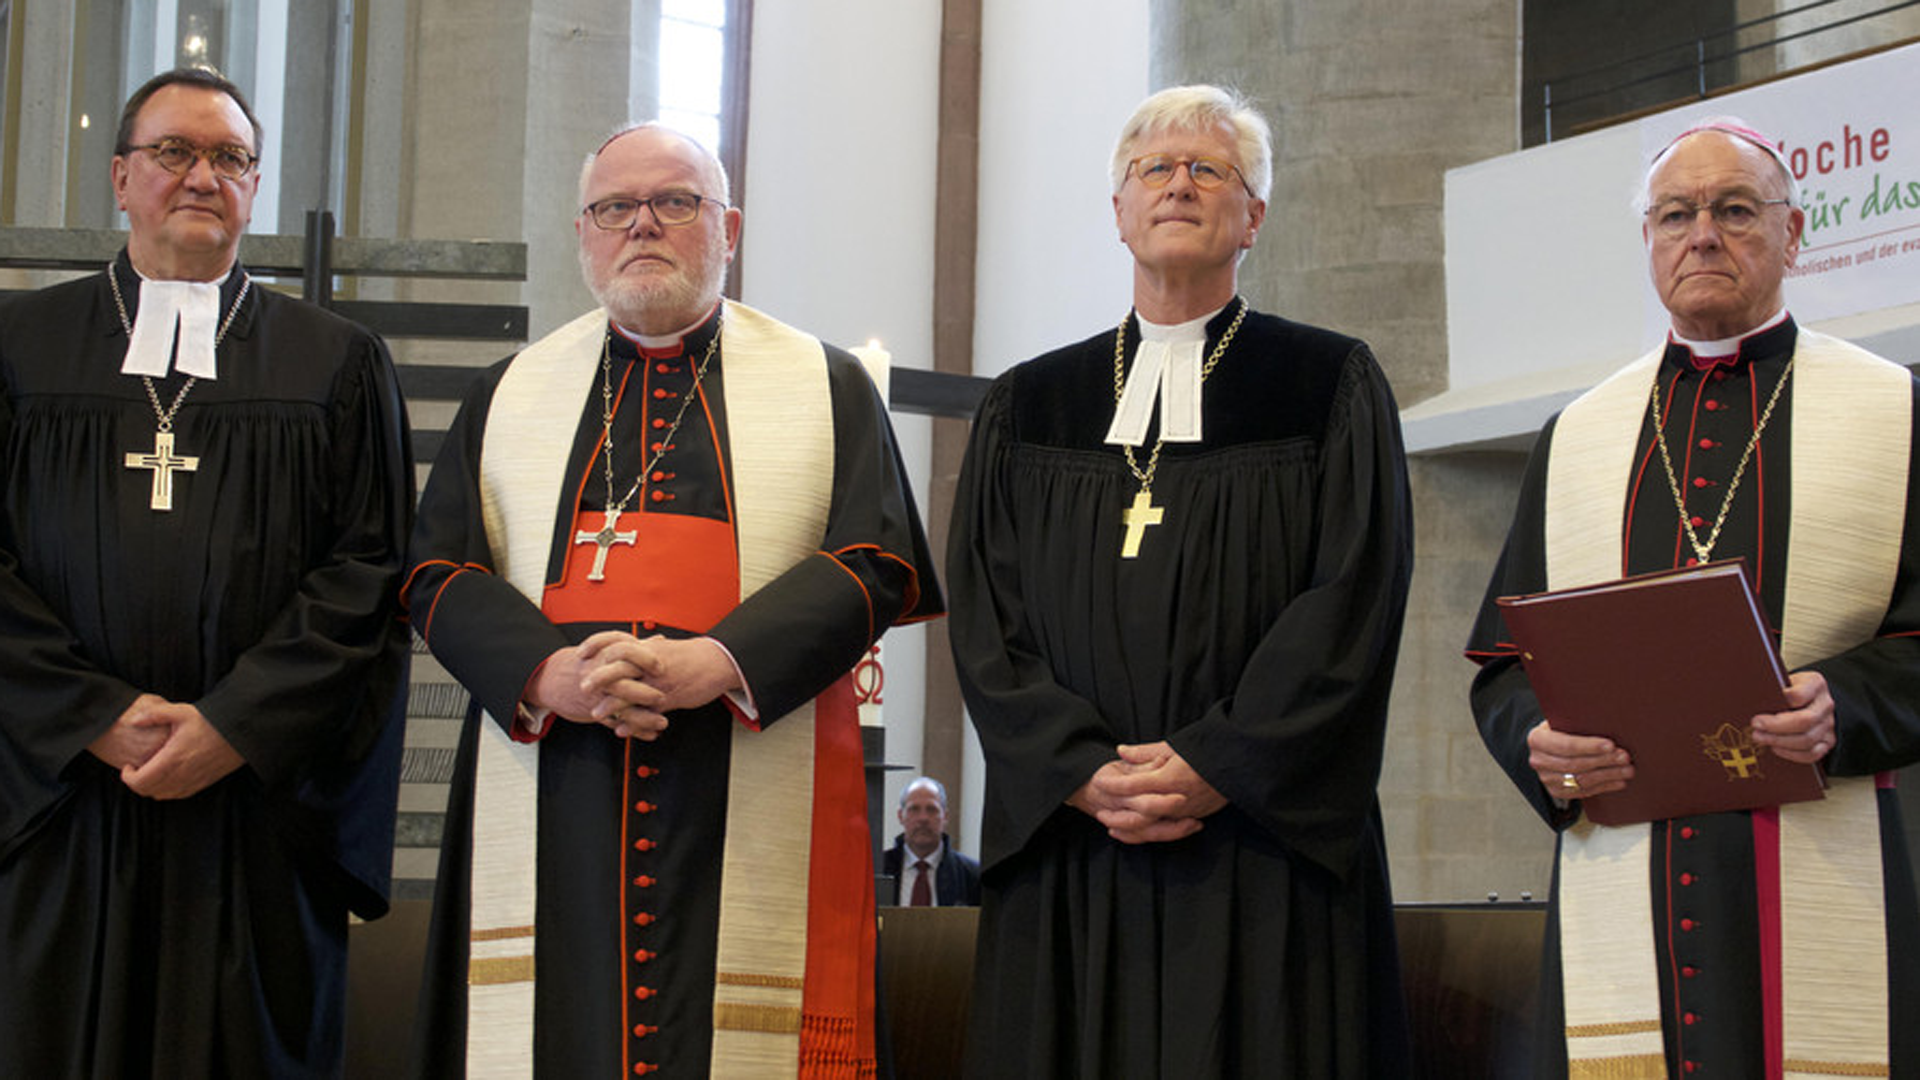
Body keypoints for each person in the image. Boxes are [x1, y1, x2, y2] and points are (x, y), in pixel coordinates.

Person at [404, 121, 942, 1079]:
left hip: (740, 757)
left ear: (727, 226)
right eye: (616, 207)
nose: (642, 225)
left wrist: (722, 661)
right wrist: (548, 673)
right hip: (559, 779)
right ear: (585, 234)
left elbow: (878, 558)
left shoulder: (826, 386)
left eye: (675, 203)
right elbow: (436, 571)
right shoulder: (510, 393)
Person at [947, 84, 1414, 1078]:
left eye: (1211, 169)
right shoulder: (1029, 404)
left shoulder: (1327, 384)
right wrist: (1076, 768)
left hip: (1258, 845)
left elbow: (1351, 603)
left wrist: (1221, 761)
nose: (1179, 184)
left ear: (1255, 216)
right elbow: (989, 622)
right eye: (1152, 169)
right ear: (1118, 211)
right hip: (1078, 841)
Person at [1466, 117, 1920, 1077]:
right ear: (1649, 243)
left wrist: (1847, 703)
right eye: (1675, 214)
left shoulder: (1897, 411)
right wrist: (1537, 745)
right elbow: (1506, 669)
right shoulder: (1579, 434)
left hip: (1821, 858)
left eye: (1734, 210)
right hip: (1627, 869)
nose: (1702, 234)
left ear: (1794, 236)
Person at [0, 68, 413, 1077]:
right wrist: (87, 714)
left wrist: (236, 725)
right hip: (59, 802)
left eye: (229, 158)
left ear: (255, 186)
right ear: (120, 177)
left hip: (254, 813)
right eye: (174, 153)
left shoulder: (336, 364)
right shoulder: (17, 347)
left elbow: (369, 574)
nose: (201, 176)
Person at [881, 776, 982, 907]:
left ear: (945, 817)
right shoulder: (878, 870)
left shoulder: (972, 876)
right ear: (901, 816)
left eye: (931, 810)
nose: (923, 818)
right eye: (914, 809)